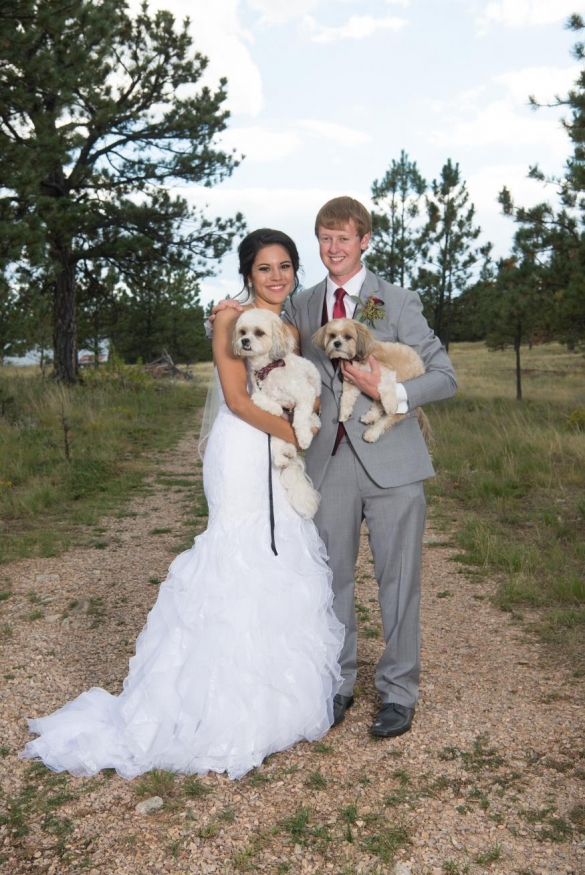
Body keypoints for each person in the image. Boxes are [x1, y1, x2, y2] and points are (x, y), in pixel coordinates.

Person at [20, 229, 343, 780]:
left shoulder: (291, 327)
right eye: (265, 268)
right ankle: (212, 712)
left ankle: (276, 705)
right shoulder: (229, 319)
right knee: (235, 553)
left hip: (279, 444)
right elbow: (239, 399)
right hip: (243, 447)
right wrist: (291, 431)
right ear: (247, 273)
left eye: (285, 265)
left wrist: (295, 430)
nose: (277, 276)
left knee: (281, 554)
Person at [211, 197, 457, 739]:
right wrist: (226, 309)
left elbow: (445, 375)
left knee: (399, 583)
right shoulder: (301, 305)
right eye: (325, 238)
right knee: (331, 581)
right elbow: (262, 327)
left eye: (344, 238)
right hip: (327, 461)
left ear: (364, 240)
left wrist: (391, 392)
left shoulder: (398, 301)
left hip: (394, 462)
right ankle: (337, 682)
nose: (333, 248)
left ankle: (398, 690)